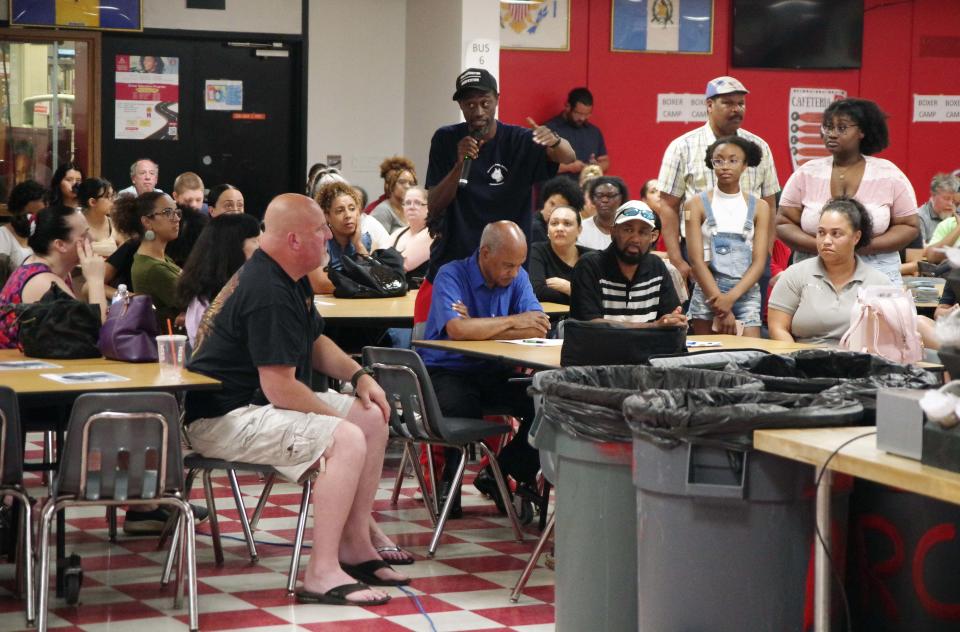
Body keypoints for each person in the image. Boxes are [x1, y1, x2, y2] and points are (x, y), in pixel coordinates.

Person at [184, 193, 408, 605]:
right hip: (221, 419)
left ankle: (355, 543)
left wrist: (359, 377)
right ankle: (321, 573)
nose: (328, 236)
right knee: (346, 437)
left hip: (255, 406)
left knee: (371, 415)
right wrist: (334, 425)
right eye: (320, 229)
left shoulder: (289, 276)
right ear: (293, 240)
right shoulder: (266, 287)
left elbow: (314, 339)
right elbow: (279, 387)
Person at [417, 67, 574, 322]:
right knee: (452, 339)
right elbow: (434, 205)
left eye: (484, 103)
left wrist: (554, 140)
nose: (478, 111)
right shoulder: (446, 139)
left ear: (497, 100)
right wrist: (460, 165)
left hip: (506, 270)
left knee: (516, 335)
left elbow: (568, 156)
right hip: (458, 264)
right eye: (470, 104)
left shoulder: (519, 140)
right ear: (460, 105)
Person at [420, 221, 550, 515]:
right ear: (485, 253)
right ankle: (448, 485)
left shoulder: (518, 277)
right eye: (507, 265)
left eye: (518, 265)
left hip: (495, 371)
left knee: (549, 405)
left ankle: (501, 472)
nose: (514, 273)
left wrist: (478, 326)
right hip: (448, 370)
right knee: (459, 409)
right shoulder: (452, 274)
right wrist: (514, 321)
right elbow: (456, 330)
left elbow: (539, 326)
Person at [777, 98, 918, 284]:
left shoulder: (889, 174)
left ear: (862, 131)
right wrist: (825, 246)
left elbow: (909, 225)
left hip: (876, 277)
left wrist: (857, 247)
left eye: (841, 128)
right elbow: (783, 222)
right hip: (813, 276)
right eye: (827, 127)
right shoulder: (806, 173)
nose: (832, 134)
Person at [658, 76, 780, 279]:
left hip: (751, 253)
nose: (736, 109)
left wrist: (765, 255)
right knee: (699, 312)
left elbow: (770, 205)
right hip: (699, 253)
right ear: (709, 105)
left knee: (748, 311)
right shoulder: (682, 147)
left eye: (741, 103)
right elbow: (668, 206)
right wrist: (677, 261)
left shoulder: (759, 147)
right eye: (728, 103)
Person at [768, 198, 891, 344]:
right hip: (802, 360)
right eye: (821, 232)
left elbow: (885, 338)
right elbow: (777, 327)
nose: (826, 241)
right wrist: (794, 359)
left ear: (856, 237)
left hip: (858, 362)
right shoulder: (795, 274)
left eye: (836, 234)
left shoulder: (879, 283)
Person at [685, 136, 770, 338]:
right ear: (711, 164)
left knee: (751, 355)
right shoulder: (695, 204)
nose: (725, 166)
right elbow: (696, 260)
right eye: (718, 160)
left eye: (733, 160)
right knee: (707, 358)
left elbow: (759, 262)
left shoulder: (760, 207)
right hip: (708, 291)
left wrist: (730, 298)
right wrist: (719, 302)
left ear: (745, 165)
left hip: (745, 290)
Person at [0, 205, 107, 348]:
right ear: (60, 244)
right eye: (84, 235)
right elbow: (95, 335)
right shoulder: (44, 282)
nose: (92, 239)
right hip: (16, 366)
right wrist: (96, 281)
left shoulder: (56, 271)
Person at [570, 202, 686, 327]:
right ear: (613, 231)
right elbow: (587, 326)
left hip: (647, 346)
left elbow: (671, 318)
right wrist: (654, 326)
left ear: (652, 237)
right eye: (628, 230)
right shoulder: (589, 266)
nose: (635, 239)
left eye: (643, 232)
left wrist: (675, 321)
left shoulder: (657, 267)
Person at [177, 212, 261, 346]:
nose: (262, 247)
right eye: (256, 241)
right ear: (234, 249)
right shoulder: (210, 302)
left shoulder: (242, 288)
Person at [113, 192, 183, 330]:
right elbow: (196, 302)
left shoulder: (159, 257)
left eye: (177, 212)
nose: (176, 218)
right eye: (168, 212)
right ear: (147, 222)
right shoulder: (153, 268)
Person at [309, 181, 382, 295]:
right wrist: (365, 283)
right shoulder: (317, 243)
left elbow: (379, 279)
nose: (348, 215)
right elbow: (320, 284)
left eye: (352, 209)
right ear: (327, 216)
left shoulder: (368, 241)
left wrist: (358, 245)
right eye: (340, 211)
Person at [529, 206, 591, 305]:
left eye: (567, 224)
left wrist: (568, 287)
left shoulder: (590, 257)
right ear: (547, 229)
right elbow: (537, 292)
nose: (559, 228)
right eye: (554, 223)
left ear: (579, 230)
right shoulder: (537, 251)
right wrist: (583, 296)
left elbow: (600, 296)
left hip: (586, 319)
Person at [546, 87, 610, 178]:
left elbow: (605, 161)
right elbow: (541, 165)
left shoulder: (594, 132)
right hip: (558, 188)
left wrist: (595, 167)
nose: (582, 118)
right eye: (578, 113)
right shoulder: (550, 129)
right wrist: (569, 167)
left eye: (587, 114)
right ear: (568, 106)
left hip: (586, 188)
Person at [389, 186, 433, 284]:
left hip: (416, 292)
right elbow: (380, 262)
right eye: (408, 203)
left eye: (417, 203)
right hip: (395, 292)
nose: (411, 207)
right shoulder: (397, 233)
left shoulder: (432, 234)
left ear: (428, 207)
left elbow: (404, 265)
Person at [0, 180, 46, 268]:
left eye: (39, 215)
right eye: (29, 214)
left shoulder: (43, 234)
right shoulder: (3, 236)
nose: (34, 220)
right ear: (16, 211)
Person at [577, 176, 628, 249]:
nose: (604, 200)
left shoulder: (629, 228)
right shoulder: (581, 228)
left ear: (621, 198)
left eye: (611, 195)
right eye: (599, 195)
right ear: (592, 199)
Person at [530, 176, 584, 245]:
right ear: (545, 200)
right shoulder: (535, 229)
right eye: (552, 204)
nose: (552, 211)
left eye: (559, 208)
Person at [370, 157, 417, 234]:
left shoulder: (412, 208)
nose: (407, 186)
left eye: (411, 183)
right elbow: (378, 244)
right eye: (402, 182)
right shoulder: (383, 210)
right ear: (391, 185)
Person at [913, 173, 960, 247]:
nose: (951, 204)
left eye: (954, 200)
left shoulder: (957, 214)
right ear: (933, 195)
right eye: (946, 198)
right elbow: (919, 251)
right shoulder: (919, 217)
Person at [77, 178, 119, 258]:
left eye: (113, 195)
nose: (113, 200)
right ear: (92, 202)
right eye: (108, 197)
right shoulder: (75, 224)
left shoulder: (115, 224)